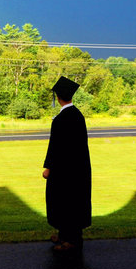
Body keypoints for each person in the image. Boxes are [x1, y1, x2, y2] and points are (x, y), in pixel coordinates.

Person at [43, 76, 92, 252]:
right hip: (78, 169)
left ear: (58, 97)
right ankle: (64, 236)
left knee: (65, 203)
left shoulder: (61, 119)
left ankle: (71, 241)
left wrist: (48, 168)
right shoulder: (78, 116)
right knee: (71, 203)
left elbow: (55, 146)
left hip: (64, 170)